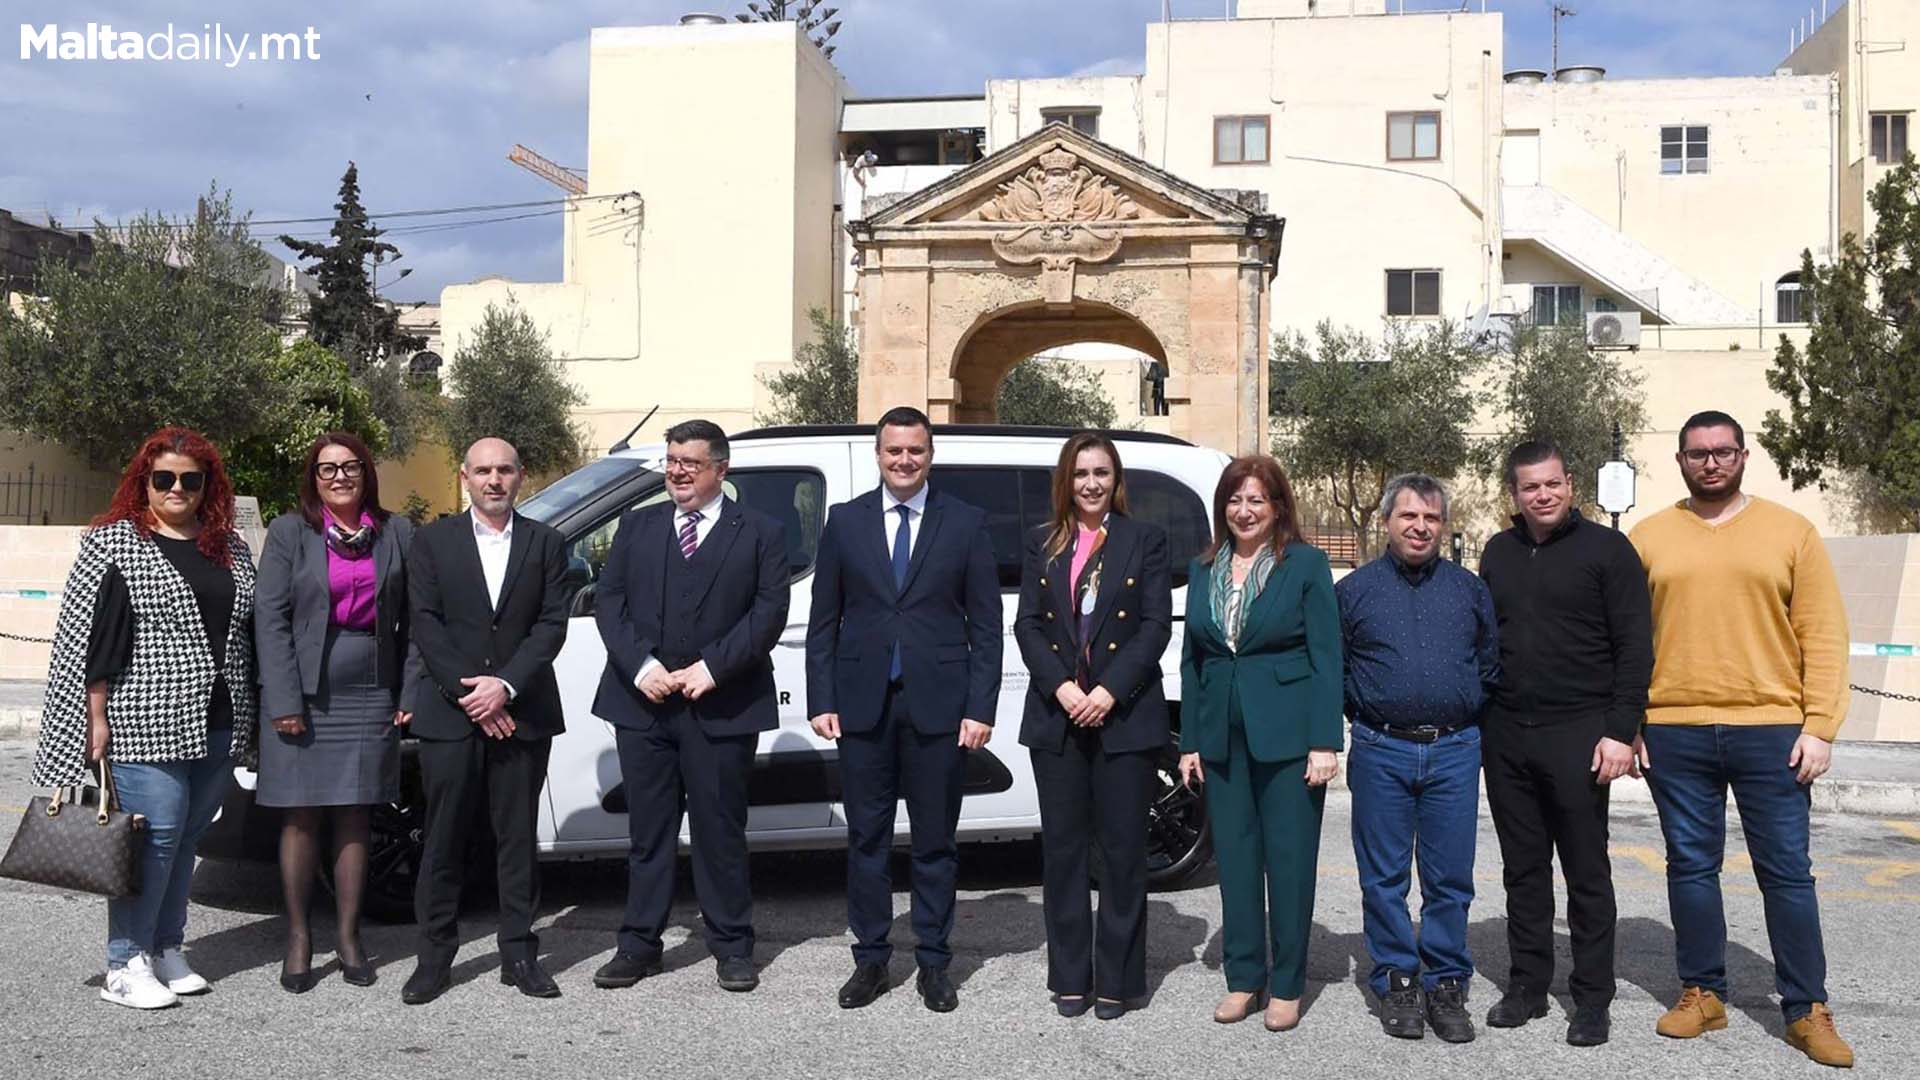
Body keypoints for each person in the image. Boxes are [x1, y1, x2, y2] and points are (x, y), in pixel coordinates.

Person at [1628, 410, 1854, 1068]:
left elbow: (1823, 635)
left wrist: (1821, 727)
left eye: (1722, 452)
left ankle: (1806, 1008)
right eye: (1697, 453)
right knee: (1691, 870)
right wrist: (1632, 724)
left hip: (1773, 732)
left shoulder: (1792, 532)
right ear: (1679, 460)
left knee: (1786, 874)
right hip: (1674, 730)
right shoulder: (1648, 537)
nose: (1711, 463)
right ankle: (1703, 992)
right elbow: (1629, 642)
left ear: (1744, 456)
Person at [33, 427, 258, 1010]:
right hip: (141, 716)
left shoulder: (228, 546)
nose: (177, 488)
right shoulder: (114, 543)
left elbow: (248, 630)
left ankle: (166, 946)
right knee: (153, 839)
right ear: (144, 482)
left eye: (190, 478)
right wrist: (91, 719)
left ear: (208, 485)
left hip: (219, 717)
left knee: (186, 839)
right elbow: (84, 639)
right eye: (165, 479)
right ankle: (123, 961)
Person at [805, 406, 1002, 1013]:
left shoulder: (965, 523)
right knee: (866, 839)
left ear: (930, 454)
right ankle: (869, 960)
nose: (905, 461)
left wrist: (980, 706)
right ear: (879, 454)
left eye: (915, 450)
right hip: (862, 708)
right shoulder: (844, 522)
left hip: (939, 709)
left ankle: (934, 963)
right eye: (894, 451)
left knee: (935, 842)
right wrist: (821, 699)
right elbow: (823, 621)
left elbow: (988, 627)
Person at [588, 420, 789, 994]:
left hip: (722, 705)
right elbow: (610, 601)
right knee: (648, 834)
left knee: (718, 830)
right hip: (643, 706)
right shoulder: (638, 524)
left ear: (720, 470)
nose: (677, 471)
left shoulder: (761, 532)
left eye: (690, 463)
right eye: (672, 461)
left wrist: (713, 668)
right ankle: (639, 945)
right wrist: (643, 667)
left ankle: (731, 946)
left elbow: (768, 612)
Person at [1477, 440, 1652, 1047]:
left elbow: (1635, 646)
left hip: (1582, 734)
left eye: (1551, 484)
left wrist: (1621, 729)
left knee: (1586, 872)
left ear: (1571, 484)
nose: (1542, 495)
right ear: (1515, 495)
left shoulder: (1610, 551)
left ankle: (1592, 999)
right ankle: (1527, 986)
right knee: (1522, 872)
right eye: (1530, 487)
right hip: (1505, 735)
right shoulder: (1497, 552)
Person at [400, 437, 570, 1005]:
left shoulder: (546, 543)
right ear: (464, 477)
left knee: (517, 837)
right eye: (482, 471)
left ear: (521, 477)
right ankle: (434, 957)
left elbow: (551, 625)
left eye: (504, 470)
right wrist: (472, 693)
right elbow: (424, 622)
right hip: (451, 715)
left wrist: (506, 687)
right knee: (443, 838)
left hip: (522, 713)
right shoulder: (431, 542)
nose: (494, 480)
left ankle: (519, 953)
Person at [1175, 456, 1341, 1033]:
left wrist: (1325, 740)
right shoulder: (1205, 569)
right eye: (1234, 500)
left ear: (1277, 508)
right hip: (1223, 736)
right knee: (1238, 861)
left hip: (1290, 735)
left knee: (1289, 862)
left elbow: (1327, 658)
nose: (1244, 511)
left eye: (1256, 500)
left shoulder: (1305, 565)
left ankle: (1288, 983)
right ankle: (1244, 978)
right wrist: (1191, 740)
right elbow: (1194, 659)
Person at [1012, 432, 1172, 1022]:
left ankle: (1119, 981)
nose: (1091, 483)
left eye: (1102, 472)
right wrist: (1063, 687)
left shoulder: (1144, 540)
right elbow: (1027, 624)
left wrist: (1106, 691)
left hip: (1122, 715)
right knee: (1064, 855)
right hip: (1058, 718)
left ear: (1116, 478)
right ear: (1066, 480)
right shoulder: (1042, 543)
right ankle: (1071, 978)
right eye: (1081, 473)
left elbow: (1156, 626)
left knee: (1125, 854)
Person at [253, 432, 420, 992]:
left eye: (350, 467)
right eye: (327, 470)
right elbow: (270, 619)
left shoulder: (397, 532)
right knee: (300, 816)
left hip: (372, 689)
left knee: (355, 813)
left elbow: (417, 619)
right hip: (302, 691)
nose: (340, 477)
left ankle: (349, 936)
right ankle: (299, 937)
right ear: (314, 478)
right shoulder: (289, 532)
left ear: (367, 472)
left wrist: (408, 694)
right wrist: (283, 700)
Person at [1336, 473, 1498, 1044]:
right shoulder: (1353, 592)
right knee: (1383, 879)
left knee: (1450, 879)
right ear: (1387, 522)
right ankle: (1397, 978)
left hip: (1455, 749)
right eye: (1408, 516)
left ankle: (1447, 980)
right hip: (1381, 748)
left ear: (1442, 525)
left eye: (1431, 518)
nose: (1420, 527)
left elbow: (1489, 663)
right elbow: (1337, 671)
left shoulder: (1469, 589)